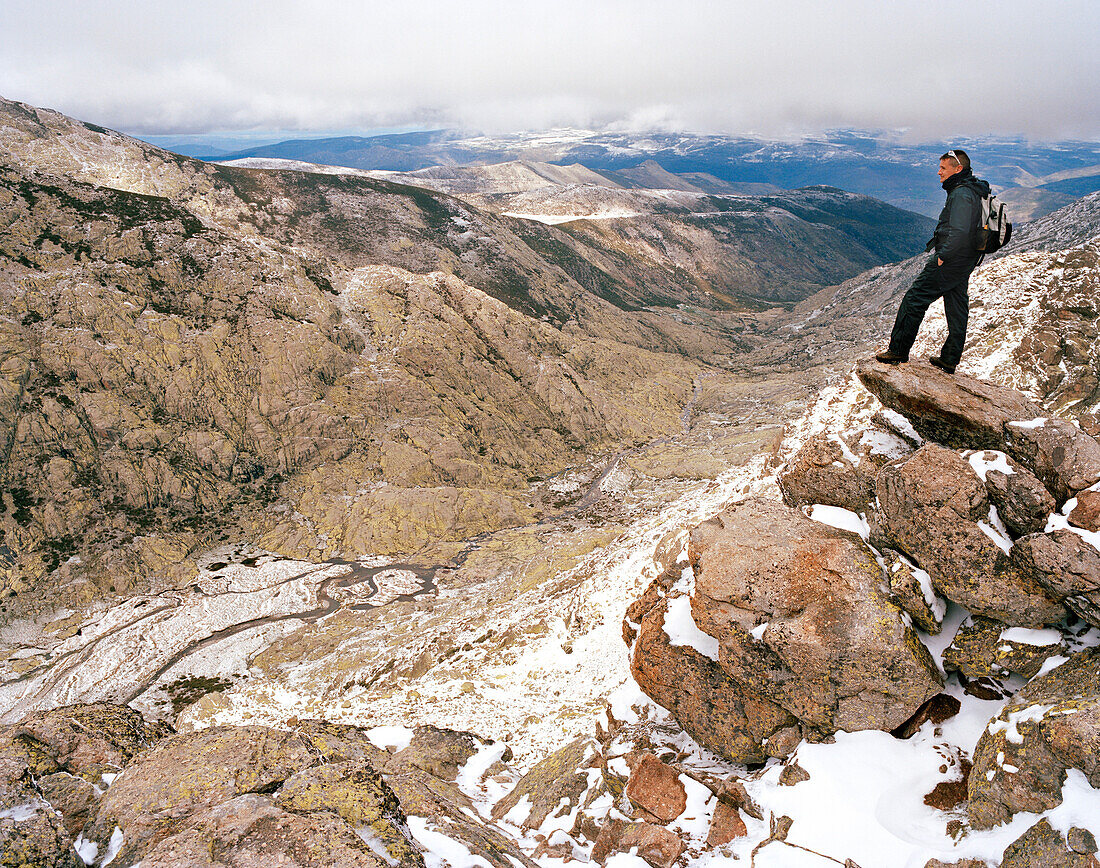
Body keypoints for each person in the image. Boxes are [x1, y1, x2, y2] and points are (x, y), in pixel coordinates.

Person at [876, 149, 989, 374]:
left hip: (952, 259)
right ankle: (949, 359)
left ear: (958, 169)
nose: (938, 173)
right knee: (957, 307)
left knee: (915, 299)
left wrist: (943, 256)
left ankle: (898, 351)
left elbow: (959, 230)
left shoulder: (961, 193)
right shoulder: (971, 190)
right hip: (966, 259)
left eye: (943, 168)